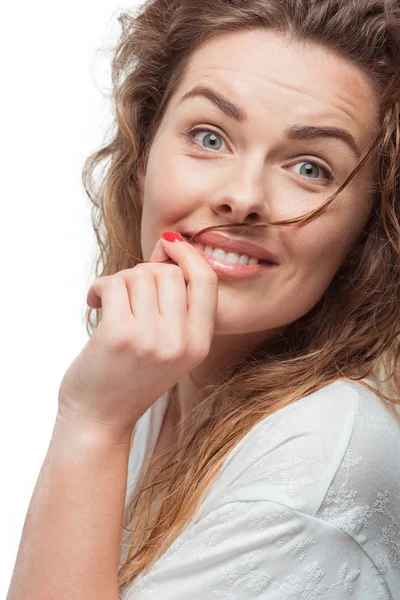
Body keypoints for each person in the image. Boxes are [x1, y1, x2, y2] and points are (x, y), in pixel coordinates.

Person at [6, 0, 400, 598]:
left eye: (311, 168)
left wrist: (92, 424)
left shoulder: (322, 459)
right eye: (209, 136)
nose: (242, 197)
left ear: (365, 232)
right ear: (141, 156)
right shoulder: (154, 377)